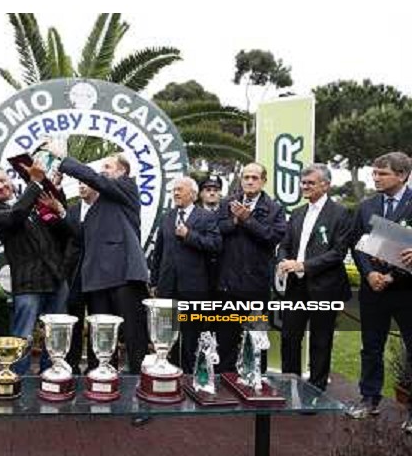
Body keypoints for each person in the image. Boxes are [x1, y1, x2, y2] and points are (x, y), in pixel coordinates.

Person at [51, 148, 150, 375]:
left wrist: (62, 158)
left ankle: (138, 379)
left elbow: (93, 178)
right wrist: (57, 198)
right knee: (101, 338)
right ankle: (100, 378)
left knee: (134, 334)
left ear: (122, 171)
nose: (102, 172)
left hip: (124, 276)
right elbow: (79, 235)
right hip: (96, 280)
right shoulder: (96, 206)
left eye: (108, 167)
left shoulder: (127, 187)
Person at [349, 152, 412, 433]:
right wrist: (370, 274)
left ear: (402, 175)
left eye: (382, 173)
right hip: (373, 290)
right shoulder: (366, 206)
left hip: (407, 291)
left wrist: (390, 275)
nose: (375, 178)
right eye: (373, 173)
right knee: (370, 347)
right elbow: (356, 244)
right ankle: (369, 398)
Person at [0, 166, 69, 374]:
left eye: (2, 180)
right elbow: (16, 216)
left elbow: (62, 234)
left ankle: (51, 374)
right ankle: (16, 378)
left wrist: (57, 204)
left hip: (56, 278)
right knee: (23, 336)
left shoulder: (33, 202)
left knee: (56, 333)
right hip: (27, 283)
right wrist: (36, 182)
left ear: (11, 181)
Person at [277, 164, 352, 391]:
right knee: (289, 338)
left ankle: (316, 390)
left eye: (310, 183)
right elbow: (285, 244)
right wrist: (282, 260)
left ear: (325, 185)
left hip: (325, 287)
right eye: (303, 182)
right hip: (295, 287)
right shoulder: (298, 212)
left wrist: (303, 265)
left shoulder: (340, 213)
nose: (305, 186)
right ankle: (290, 385)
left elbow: (338, 253)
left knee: (321, 340)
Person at [216, 163, 287, 372]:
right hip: (228, 285)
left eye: (254, 178)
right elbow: (215, 229)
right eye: (246, 177)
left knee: (257, 339)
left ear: (263, 181)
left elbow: (273, 237)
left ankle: (256, 383)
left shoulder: (275, 208)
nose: (249, 181)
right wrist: (234, 222)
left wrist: (248, 220)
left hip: (256, 286)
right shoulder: (228, 203)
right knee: (225, 340)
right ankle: (224, 385)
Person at [151, 177, 222, 373]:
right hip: (167, 288)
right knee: (167, 337)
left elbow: (216, 245)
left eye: (180, 189)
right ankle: (169, 375)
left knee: (192, 338)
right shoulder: (167, 216)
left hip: (194, 288)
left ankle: (191, 377)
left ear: (193, 193)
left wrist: (189, 235)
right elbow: (159, 251)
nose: (175, 193)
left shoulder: (205, 217)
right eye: (174, 190)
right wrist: (155, 281)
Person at [64, 182, 100, 375]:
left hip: (97, 274)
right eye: (78, 183)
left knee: (97, 320)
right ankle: (72, 364)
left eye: (86, 183)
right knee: (74, 320)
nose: (81, 187)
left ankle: (96, 366)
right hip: (74, 274)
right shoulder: (71, 211)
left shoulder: (104, 211)